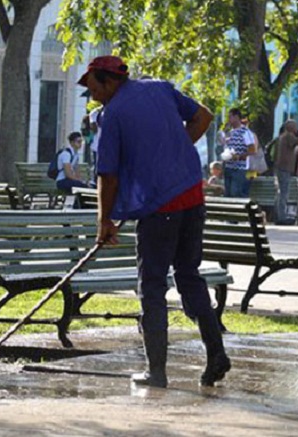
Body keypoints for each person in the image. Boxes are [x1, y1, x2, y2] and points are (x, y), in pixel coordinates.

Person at [85, 55, 230, 387]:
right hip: (192, 197)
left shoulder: (114, 114)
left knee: (151, 285)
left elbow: (107, 175)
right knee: (189, 275)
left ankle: (156, 371)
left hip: (160, 208)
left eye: (93, 88)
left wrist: (104, 222)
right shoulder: (160, 89)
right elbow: (203, 117)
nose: (91, 95)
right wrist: (172, 152)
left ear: (108, 81)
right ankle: (216, 352)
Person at [221, 108, 255, 198]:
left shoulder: (245, 132)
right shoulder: (230, 132)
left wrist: (239, 156)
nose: (228, 119)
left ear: (236, 117)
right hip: (228, 166)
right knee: (228, 194)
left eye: (230, 117)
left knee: (235, 192)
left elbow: (252, 149)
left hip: (239, 168)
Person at [274, 120, 298, 225]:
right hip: (285, 168)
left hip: (280, 167)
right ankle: (281, 216)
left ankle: (278, 214)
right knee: (284, 193)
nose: (296, 128)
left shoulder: (282, 137)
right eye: (295, 126)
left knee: (281, 192)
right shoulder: (289, 136)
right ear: (289, 127)